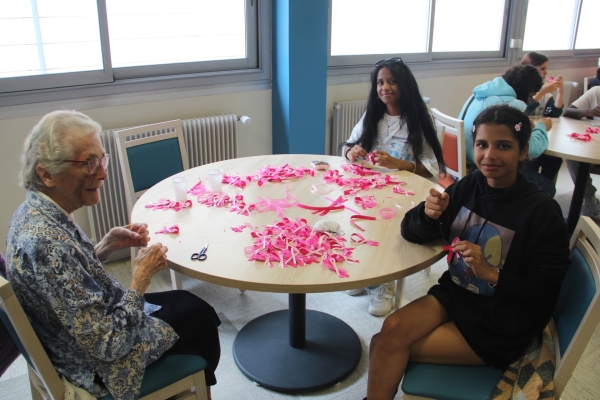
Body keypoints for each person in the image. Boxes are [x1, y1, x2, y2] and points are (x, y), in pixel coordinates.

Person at [6, 110, 221, 400]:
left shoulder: (33, 213)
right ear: (46, 173)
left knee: (188, 305)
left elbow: (65, 285)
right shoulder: (47, 244)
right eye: (88, 163)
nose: (103, 173)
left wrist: (104, 247)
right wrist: (140, 279)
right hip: (96, 365)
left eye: (101, 159)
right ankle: (183, 383)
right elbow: (109, 345)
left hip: (77, 337)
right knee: (202, 319)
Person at [365, 105, 571, 400]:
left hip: (500, 322)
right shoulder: (471, 185)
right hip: (458, 295)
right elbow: (412, 232)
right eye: (482, 145)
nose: (490, 155)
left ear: (524, 151)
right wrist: (428, 214)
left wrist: (493, 274)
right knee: (390, 330)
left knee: (386, 343)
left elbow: (546, 293)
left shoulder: (542, 213)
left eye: (504, 146)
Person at [342, 57, 445, 316]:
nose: (384, 87)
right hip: (371, 187)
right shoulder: (373, 115)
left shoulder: (420, 119)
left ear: (405, 85)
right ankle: (367, 273)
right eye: (380, 82)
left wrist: (402, 164)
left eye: (391, 81)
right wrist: (350, 153)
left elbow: (432, 170)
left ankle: (384, 282)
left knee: (388, 225)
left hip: (406, 193)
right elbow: (348, 145)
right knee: (356, 218)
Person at [458, 65, 555, 196]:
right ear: (527, 92)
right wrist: (542, 127)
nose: (529, 100)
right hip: (483, 168)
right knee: (546, 187)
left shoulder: (480, 94)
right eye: (531, 96)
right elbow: (532, 149)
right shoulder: (509, 105)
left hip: (465, 159)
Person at [520, 52, 564, 185]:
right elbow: (523, 112)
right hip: (525, 137)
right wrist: (541, 93)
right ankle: (531, 184)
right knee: (533, 158)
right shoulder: (521, 89)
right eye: (542, 68)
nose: (546, 72)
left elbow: (554, 113)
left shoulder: (545, 91)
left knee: (554, 159)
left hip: (539, 133)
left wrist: (560, 93)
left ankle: (545, 187)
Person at [564, 86, 600, 220]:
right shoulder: (596, 92)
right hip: (594, 148)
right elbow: (568, 111)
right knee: (574, 161)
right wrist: (589, 111)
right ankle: (590, 201)